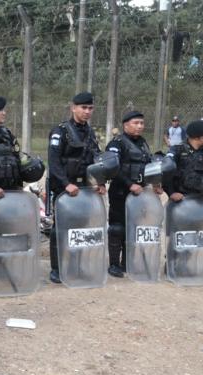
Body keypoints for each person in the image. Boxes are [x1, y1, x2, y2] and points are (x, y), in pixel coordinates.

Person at [47, 91, 104, 284]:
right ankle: (57, 268)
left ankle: (77, 265)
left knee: (81, 230)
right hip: (65, 190)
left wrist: (100, 182)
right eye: (83, 108)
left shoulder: (90, 133)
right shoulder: (60, 131)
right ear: (73, 108)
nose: (87, 111)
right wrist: (66, 184)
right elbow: (54, 162)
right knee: (60, 229)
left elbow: (97, 160)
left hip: (85, 189)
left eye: (90, 108)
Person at [104, 110, 162, 278]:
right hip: (120, 191)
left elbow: (148, 166)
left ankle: (126, 263)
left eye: (142, 123)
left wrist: (156, 183)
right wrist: (130, 184)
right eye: (136, 123)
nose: (140, 126)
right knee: (117, 227)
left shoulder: (143, 143)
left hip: (140, 194)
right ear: (125, 125)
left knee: (134, 226)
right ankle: (114, 264)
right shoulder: (117, 143)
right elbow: (112, 168)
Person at [163, 119, 203, 206]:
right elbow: (166, 170)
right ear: (197, 137)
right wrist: (171, 192)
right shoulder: (177, 150)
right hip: (180, 202)